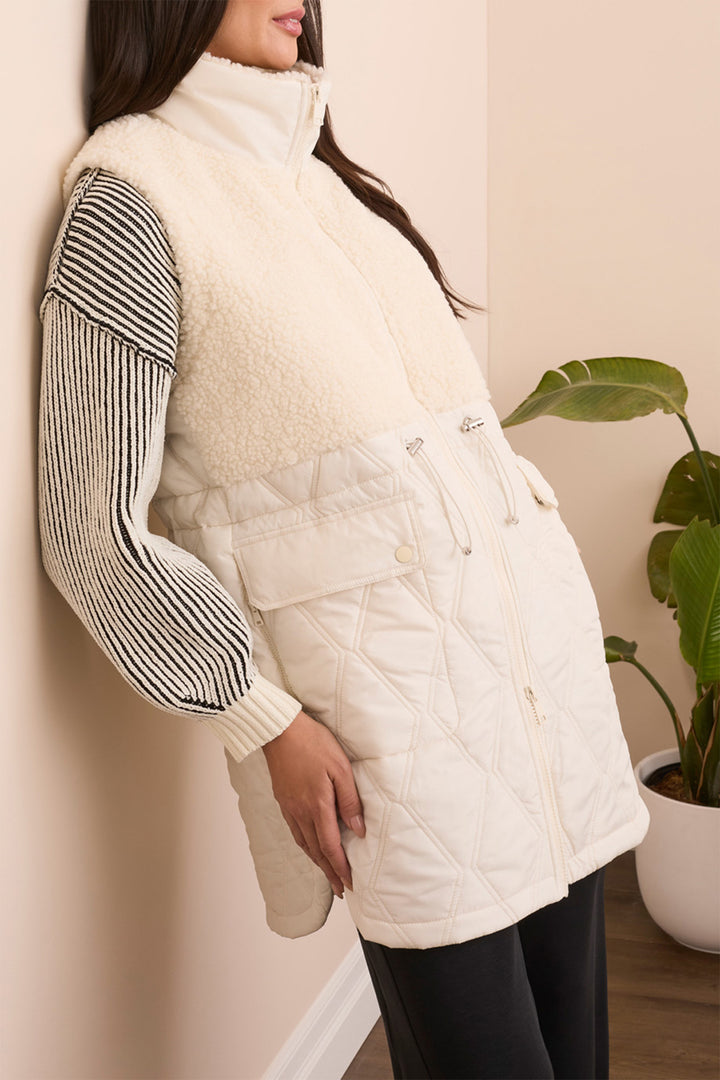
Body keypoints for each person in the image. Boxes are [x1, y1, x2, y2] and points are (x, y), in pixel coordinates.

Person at [37, 2, 650, 1076]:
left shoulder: (329, 184)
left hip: (540, 696)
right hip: (396, 737)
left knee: (578, 1057)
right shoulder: (130, 201)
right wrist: (260, 719)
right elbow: (89, 531)